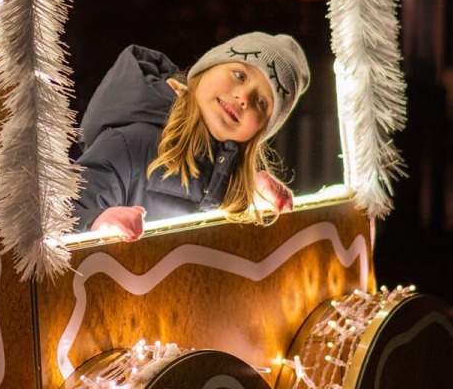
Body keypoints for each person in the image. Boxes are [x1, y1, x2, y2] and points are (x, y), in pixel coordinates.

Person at [70, 33, 309, 241]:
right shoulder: (127, 145)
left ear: (260, 131)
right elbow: (56, 218)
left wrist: (248, 193)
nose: (244, 97)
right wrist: (95, 221)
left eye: (261, 102)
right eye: (239, 74)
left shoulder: (227, 174)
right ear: (207, 68)